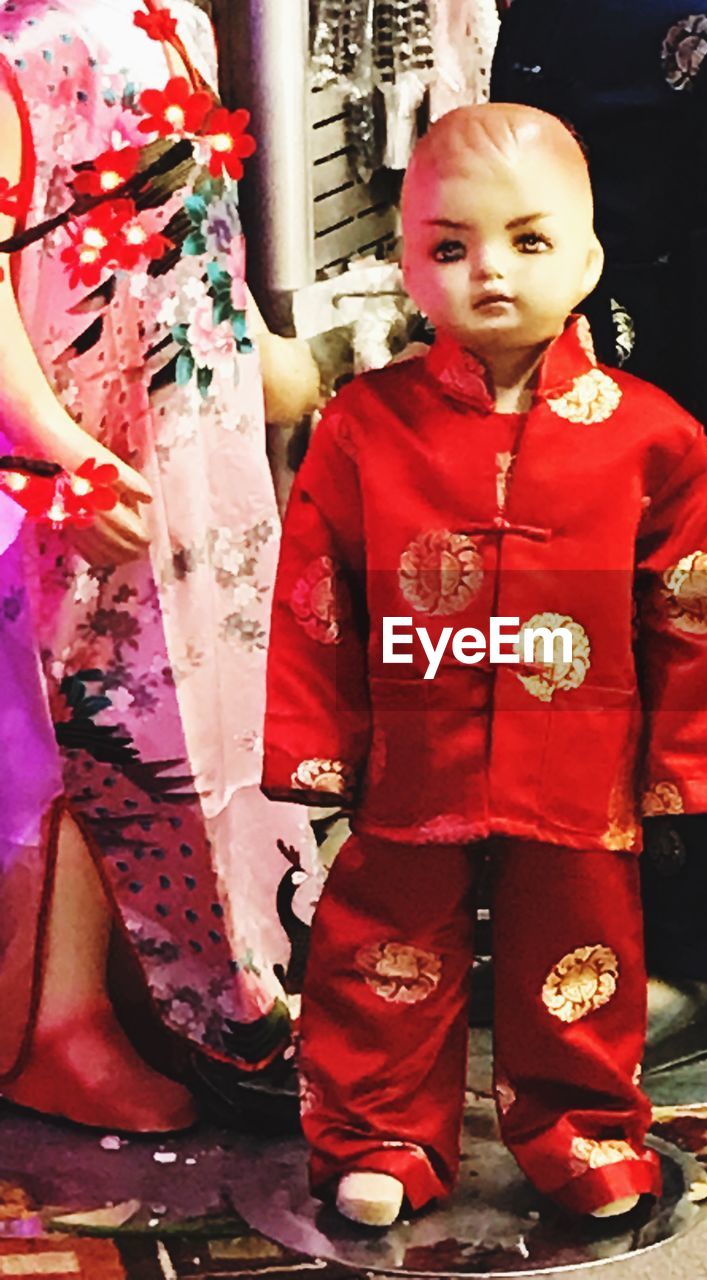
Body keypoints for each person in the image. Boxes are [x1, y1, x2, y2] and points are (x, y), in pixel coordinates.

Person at [262, 102, 707, 1227]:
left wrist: (689, 759)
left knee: (580, 953)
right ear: (406, 263)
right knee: (383, 951)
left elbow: (704, 610)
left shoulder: (650, 436)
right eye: (450, 246)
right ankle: (382, 1129)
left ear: (587, 258)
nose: (489, 270)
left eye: (529, 241)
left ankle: (581, 1124)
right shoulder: (360, 426)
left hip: (579, 759)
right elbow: (315, 600)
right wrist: (315, 748)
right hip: (413, 753)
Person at [0, 0, 320, 1133]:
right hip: (77, 430)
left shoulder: (173, 9)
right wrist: (56, 453)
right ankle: (58, 1019)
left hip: (184, 418)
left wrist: (257, 356)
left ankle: (199, 984)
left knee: (211, 704)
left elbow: (190, 220)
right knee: (88, 718)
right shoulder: (19, 44)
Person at [491, 0, 707, 1064]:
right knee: (556, 675)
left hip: (692, 416)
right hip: (552, 394)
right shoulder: (540, 15)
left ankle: (699, 953)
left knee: (693, 689)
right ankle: (561, 920)